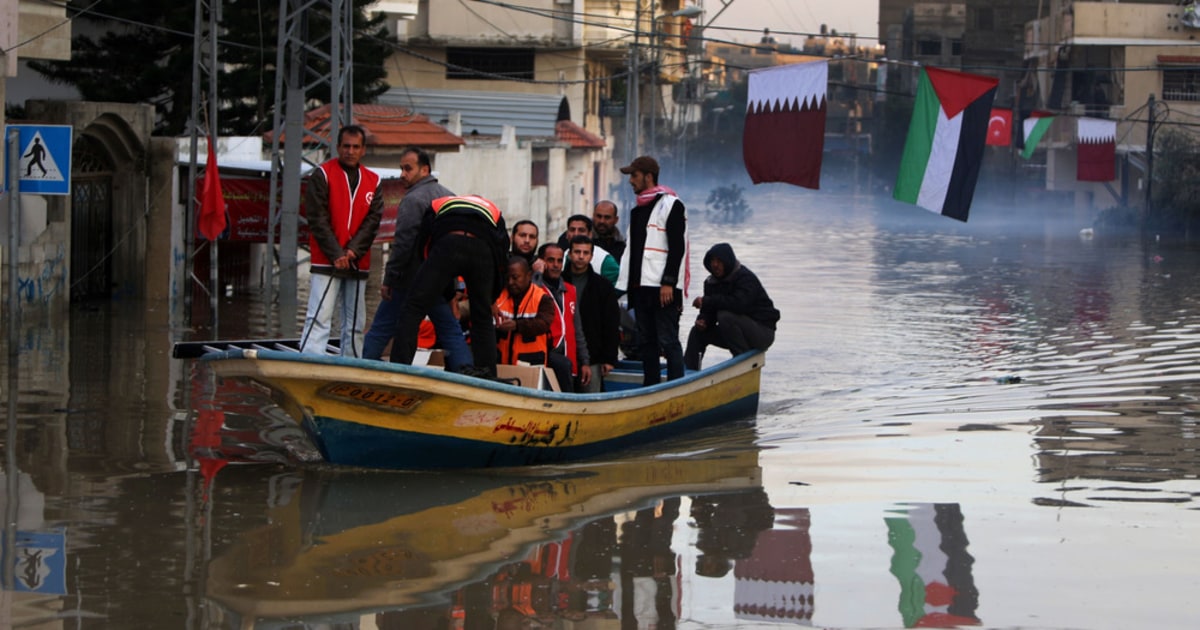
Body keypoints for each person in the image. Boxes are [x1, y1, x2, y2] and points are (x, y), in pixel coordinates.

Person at [362, 147, 471, 368]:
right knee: (450, 330)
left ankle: (362, 369)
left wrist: (389, 279)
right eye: (402, 168)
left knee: (382, 327)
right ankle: (466, 373)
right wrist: (455, 283)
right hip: (440, 280)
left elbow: (403, 244)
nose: (403, 174)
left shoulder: (413, 200)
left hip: (410, 278)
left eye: (408, 169)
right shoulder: (449, 196)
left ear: (424, 169)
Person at [390, 195, 509, 376]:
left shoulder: (439, 204)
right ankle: (488, 377)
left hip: (447, 243)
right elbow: (502, 258)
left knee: (413, 309)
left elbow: (424, 247)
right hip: (482, 249)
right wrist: (491, 298)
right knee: (482, 318)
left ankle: (398, 369)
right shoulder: (494, 210)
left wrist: (446, 294)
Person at [299, 124, 383, 356]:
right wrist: (336, 253)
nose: (350, 151)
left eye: (355, 147)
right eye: (346, 146)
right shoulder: (322, 175)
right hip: (327, 259)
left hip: (357, 261)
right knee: (319, 316)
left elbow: (373, 221)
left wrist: (353, 251)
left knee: (355, 322)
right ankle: (310, 360)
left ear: (363, 150)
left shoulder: (373, 181)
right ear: (337, 147)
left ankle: (352, 363)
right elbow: (317, 218)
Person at [616, 155, 688, 385]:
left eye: (634, 176)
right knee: (646, 341)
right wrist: (624, 287)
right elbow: (632, 252)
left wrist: (668, 282)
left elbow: (677, 248)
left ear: (648, 177)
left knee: (668, 340)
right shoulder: (637, 210)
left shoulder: (671, 205)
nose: (630, 181)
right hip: (640, 287)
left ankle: (676, 385)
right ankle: (651, 385)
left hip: (662, 288)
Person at [684, 243, 780, 370]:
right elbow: (710, 311)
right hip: (734, 332)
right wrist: (704, 321)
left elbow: (739, 304)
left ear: (727, 261)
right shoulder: (710, 283)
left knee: (725, 316)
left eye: (719, 261)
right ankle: (689, 373)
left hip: (762, 332)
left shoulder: (745, 278)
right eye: (712, 261)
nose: (715, 265)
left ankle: (742, 360)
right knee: (698, 332)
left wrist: (707, 301)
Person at [565, 236, 620, 392]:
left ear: (591, 256)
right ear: (569, 254)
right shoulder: (560, 281)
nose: (581, 256)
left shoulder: (603, 286)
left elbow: (611, 323)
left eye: (585, 253)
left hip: (593, 356)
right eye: (577, 252)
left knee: (590, 398)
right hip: (564, 354)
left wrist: (609, 359)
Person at [534, 243, 590, 391]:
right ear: (541, 261)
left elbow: (577, 330)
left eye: (559, 261)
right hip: (545, 358)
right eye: (551, 260)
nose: (556, 265)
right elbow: (531, 300)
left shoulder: (570, 290)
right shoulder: (536, 288)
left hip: (569, 360)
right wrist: (537, 274)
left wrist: (585, 361)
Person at [493, 256, 556, 369]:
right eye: (507, 278)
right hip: (500, 363)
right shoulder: (498, 296)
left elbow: (543, 324)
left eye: (515, 277)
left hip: (531, 365)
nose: (510, 282)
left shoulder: (542, 298)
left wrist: (517, 325)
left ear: (528, 276)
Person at [558, 215, 620, 285]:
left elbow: (617, 286)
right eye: (572, 230)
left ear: (590, 234)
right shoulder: (560, 256)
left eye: (581, 230)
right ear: (567, 234)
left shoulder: (604, 259)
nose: (576, 234)